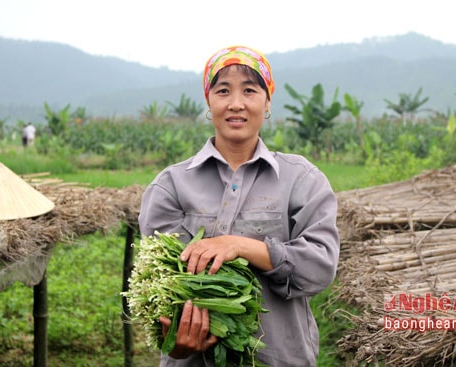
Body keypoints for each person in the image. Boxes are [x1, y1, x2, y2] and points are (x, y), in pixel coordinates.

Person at [138, 45, 340, 366]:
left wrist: (238, 246)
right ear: (209, 101)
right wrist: (175, 344)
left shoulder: (301, 179)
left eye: (249, 90)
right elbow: (158, 285)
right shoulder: (171, 184)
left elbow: (319, 268)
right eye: (223, 91)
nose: (236, 104)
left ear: (267, 101)